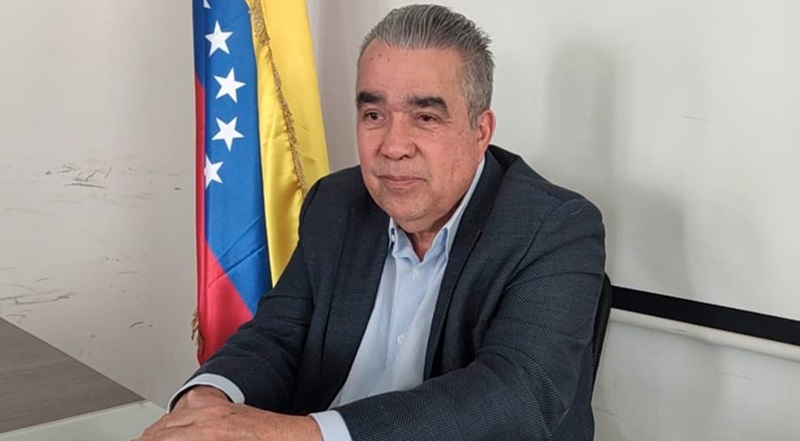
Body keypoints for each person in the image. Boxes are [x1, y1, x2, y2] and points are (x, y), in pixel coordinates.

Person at [137, 4, 605, 440]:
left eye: (425, 117)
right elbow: (278, 335)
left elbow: (517, 395)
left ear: (480, 131)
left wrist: (302, 434)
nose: (393, 146)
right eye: (374, 114)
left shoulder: (554, 227)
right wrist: (207, 399)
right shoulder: (336, 203)